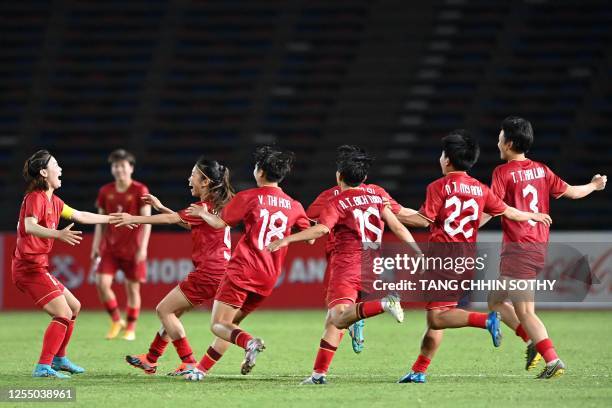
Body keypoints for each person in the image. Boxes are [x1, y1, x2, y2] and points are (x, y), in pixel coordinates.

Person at [395, 130, 552, 383]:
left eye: (442, 154)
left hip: (443, 259)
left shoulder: (438, 186)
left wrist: (389, 210)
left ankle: (486, 320)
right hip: (466, 260)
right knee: (437, 318)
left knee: (437, 317)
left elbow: (422, 220)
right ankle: (418, 371)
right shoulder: (480, 189)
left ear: (447, 160)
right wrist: (532, 215)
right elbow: (508, 211)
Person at [268, 145, 422, 385]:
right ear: (364, 177)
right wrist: (419, 247)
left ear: (339, 175)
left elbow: (317, 226)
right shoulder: (377, 195)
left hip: (347, 261)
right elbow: (399, 222)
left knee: (338, 317)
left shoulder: (334, 199)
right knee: (334, 318)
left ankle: (381, 304)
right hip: (374, 263)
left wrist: (287, 238)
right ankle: (319, 374)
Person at [482, 116, 607, 379]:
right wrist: (594, 186)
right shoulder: (541, 169)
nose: (498, 140)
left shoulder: (502, 173)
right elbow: (572, 192)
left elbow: (493, 209)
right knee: (494, 301)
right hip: (535, 246)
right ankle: (532, 342)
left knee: (525, 311)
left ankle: (552, 359)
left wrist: (466, 229)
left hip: (519, 248)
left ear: (510, 142)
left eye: (501, 136)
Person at [185, 146, 311, 379]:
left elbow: (219, 224)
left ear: (260, 172)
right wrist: (288, 239)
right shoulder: (294, 205)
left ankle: (250, 343)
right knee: (230, 327)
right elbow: (312, 237)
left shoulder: (249, 197)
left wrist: (203, 214)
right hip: (269, 275)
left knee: (218, 325)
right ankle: (200, 370)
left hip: (243, 270)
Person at [110, 157, 234, 376]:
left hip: (208, 271)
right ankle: (150, 358)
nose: (189, 178)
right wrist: (160, 207)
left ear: (204, 182)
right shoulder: (214, 207)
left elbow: (171, 221)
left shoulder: (202, 206)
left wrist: (133, 218)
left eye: (193, 174)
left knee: (164, 310)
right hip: (222, 271)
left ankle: (188, 362)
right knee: (173, 313)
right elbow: (185, 221)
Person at [13, 150, 112, 378]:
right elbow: (29, 226)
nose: (61, 169)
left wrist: (112, 218)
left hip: (38, 267)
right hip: (28, 268)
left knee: (74, 307)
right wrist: (57, 234)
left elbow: (80, 215)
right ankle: (43, 366)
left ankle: (59, 359)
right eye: (56, 165)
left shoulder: (54, 201)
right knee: (64, 312)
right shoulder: (35, 197)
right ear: (44, 172)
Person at [92, 149, 151, 340]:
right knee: (102, 283)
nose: (119, 170)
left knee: (132, 289)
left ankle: (131, 328)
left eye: (123, 166)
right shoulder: (105, 191)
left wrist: (143, 248)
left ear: (131, 168)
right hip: (110, 248)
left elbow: (147, 220)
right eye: (115, 166)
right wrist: (95, 245)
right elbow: (100, 220)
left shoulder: (140, 190)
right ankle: (117, 320)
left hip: (133, 249)